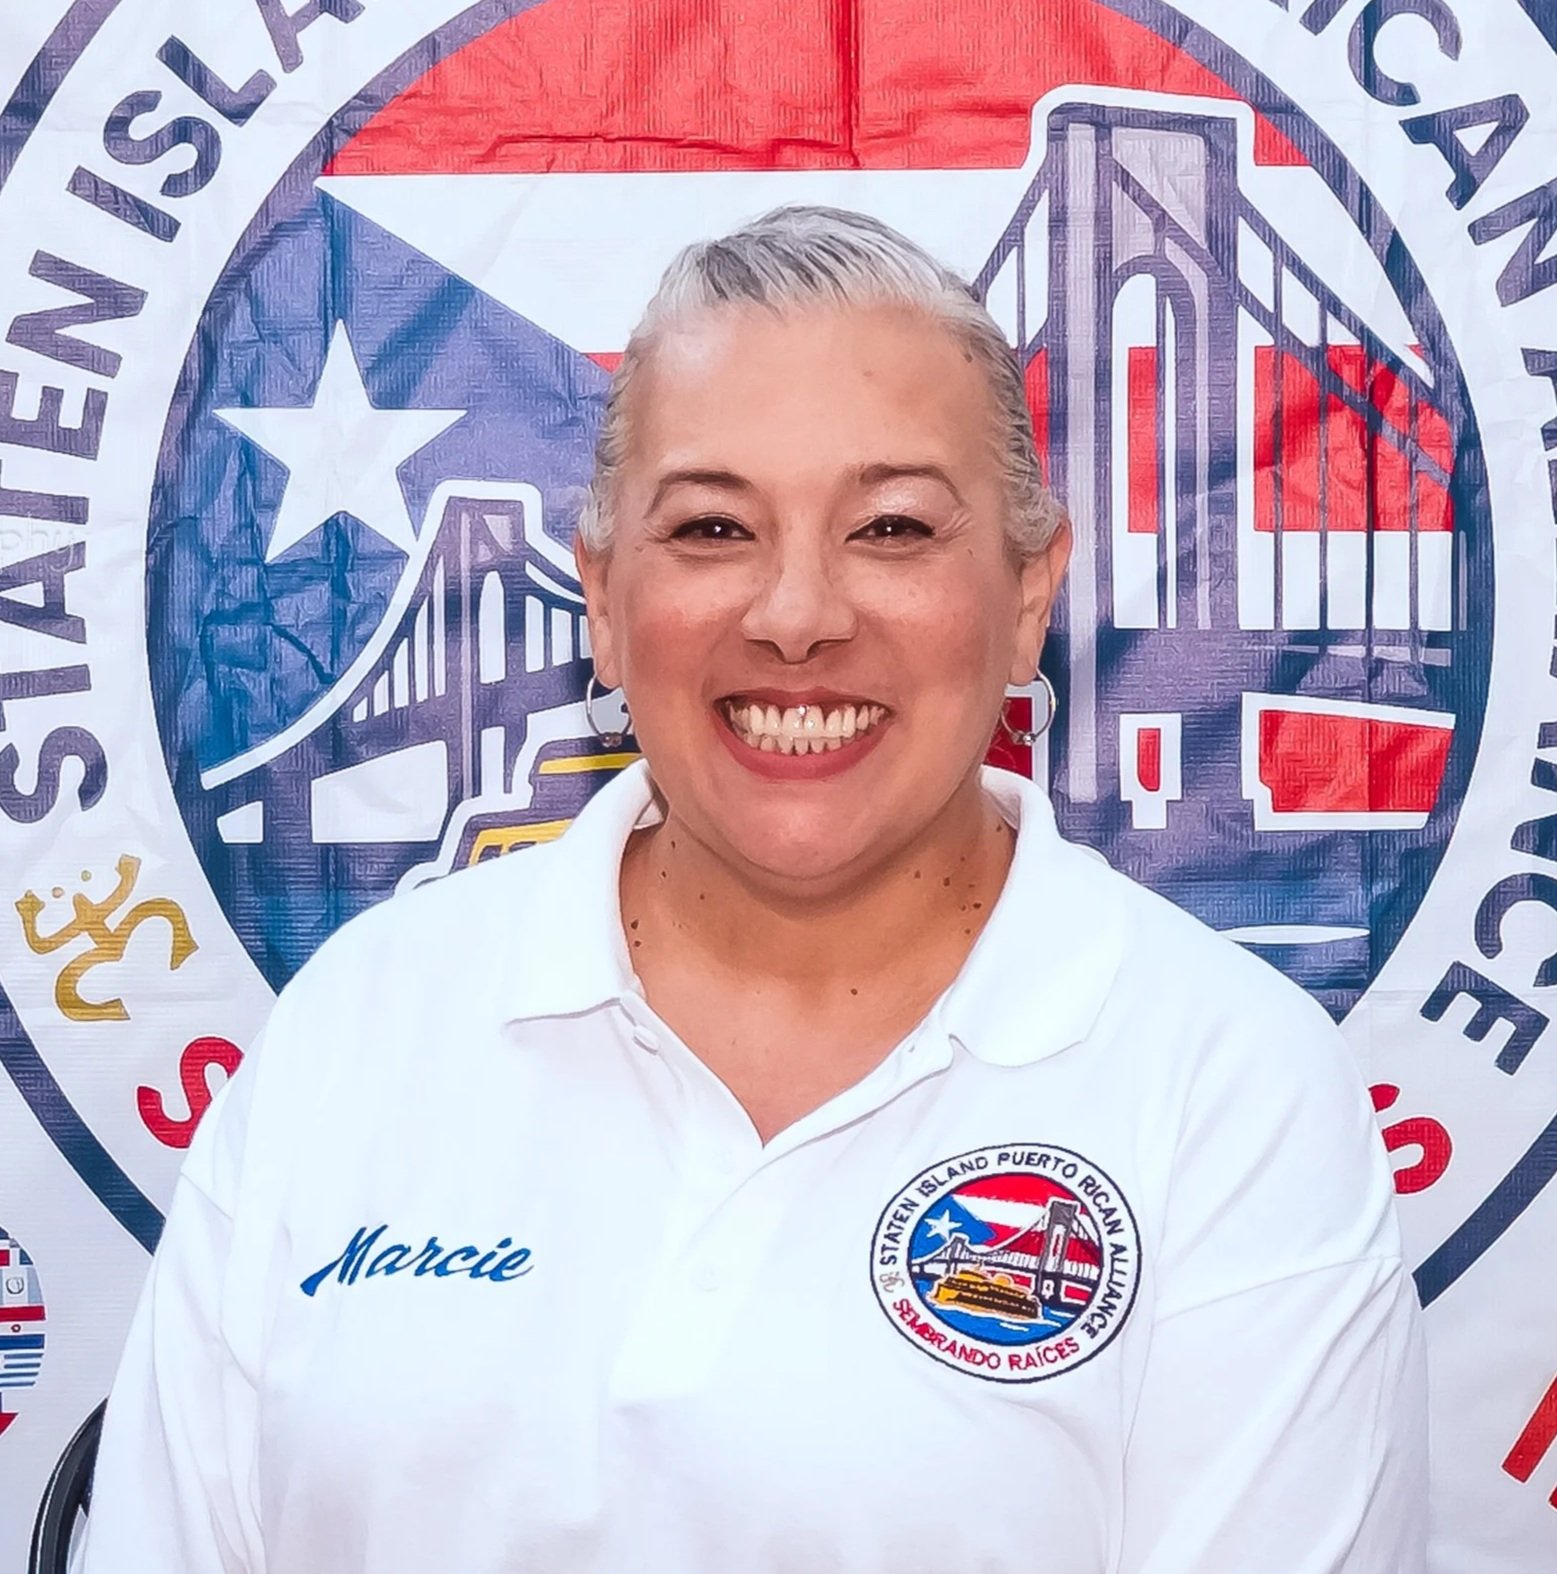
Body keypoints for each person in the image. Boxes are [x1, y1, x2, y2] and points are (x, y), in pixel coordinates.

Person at [77, 205, 1426, 1573]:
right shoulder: (356, 1029)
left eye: (891, 527)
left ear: (1028, 593)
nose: (795, 616)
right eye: (714, 526)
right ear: (602, 598)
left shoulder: (1229, 1090)